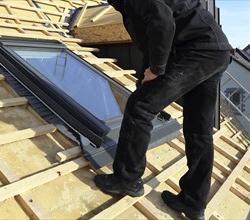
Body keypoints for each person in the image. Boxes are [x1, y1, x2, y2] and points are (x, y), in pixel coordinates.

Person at [94, 0, 232, 219]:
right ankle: (193, 202)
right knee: (199, 130)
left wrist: (157, 69)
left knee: (140, 106)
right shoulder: (127, 6)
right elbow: (153, 39)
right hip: (214, 50)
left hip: (195, 50)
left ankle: (126, 179)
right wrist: (146, 75)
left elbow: (162, 23)